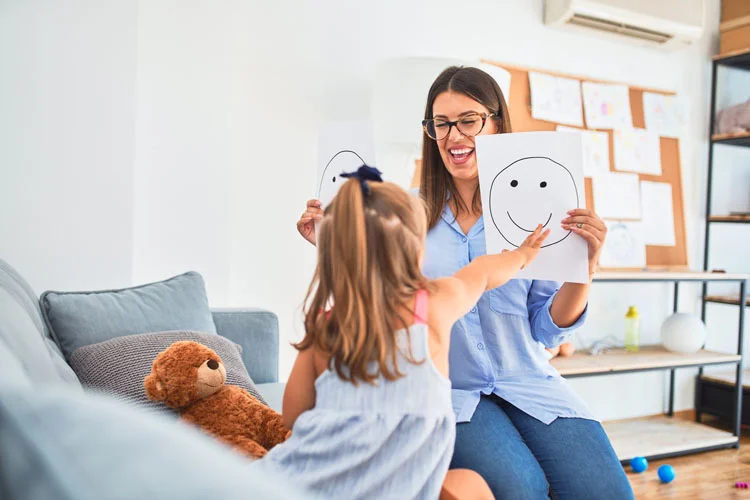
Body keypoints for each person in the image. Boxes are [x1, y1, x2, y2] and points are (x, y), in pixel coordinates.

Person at [296, 68, 634, 499]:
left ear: (496, 122)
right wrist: (329, 241)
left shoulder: (536, 207)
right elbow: (374, 292)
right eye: (441, 123)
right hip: (452, 395)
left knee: (607, 493)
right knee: (521, 489)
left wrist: (582, 268)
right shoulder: (404, 211)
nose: (454, 136)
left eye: (468, 120)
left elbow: (548, 329)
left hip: (530, 383)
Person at [274, 166, 549, 499]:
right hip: (396, 489)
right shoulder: (432, 305)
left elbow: (293, 417)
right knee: (472, 486)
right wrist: (523, 255)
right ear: (418, 251)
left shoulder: (325, 328)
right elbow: (483, 273)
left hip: (305, 482)